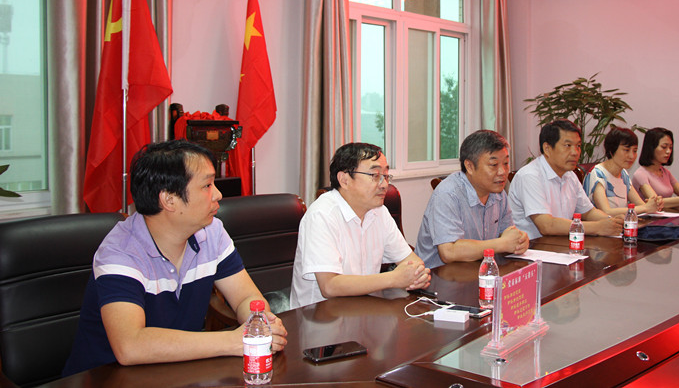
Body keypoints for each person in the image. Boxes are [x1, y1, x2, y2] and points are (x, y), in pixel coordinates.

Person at [63, 140, 287, 377]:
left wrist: (259, 323)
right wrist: (233, 341)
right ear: (169, 199)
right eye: (207, 185)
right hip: (107, 378)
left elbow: (245, 297)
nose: (218, 194)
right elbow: (130, 345)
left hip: (178, 372)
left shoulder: (211, 232)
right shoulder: (120, 252)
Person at [289, 142, 430, 309]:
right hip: (319, 315)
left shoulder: (379, 211)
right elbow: (329, 286)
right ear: (344, 180)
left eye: (386, 176)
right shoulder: (321, 215)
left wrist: (418, 275)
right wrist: (394, 278)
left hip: (364, 308)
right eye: (375, 175)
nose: (384, 184)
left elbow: (411, 261)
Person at [415, 130, 529, 269]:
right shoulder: (448, 194)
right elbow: (449, 252)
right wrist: (502, 244)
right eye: (493, 165)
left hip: (477, 270)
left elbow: (507, 233)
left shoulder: (498, 193)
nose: (502, 172)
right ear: (469, 166)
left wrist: (519, 241)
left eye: (505, 163)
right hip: (437, 276)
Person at [508, 119, 623, 239]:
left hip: (560, 244)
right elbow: (547, 225)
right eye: (568, 145)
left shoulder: (570, 175)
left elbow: (588, 212)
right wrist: (598, 227)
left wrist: (613, 222)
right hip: (532, 247)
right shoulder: (530, 176)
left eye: (578, 146)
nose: (575, 152)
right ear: (547, 148)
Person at [583, 126, 663, 216]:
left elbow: (641, 205)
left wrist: (654, 203)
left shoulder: (623, 174)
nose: (631, 156)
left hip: (622, 223)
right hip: (604, 224)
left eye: (634, 151)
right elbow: (606, 212)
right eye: (626, 150)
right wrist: (645, 208)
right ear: (612, 150)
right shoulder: (597, 174)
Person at [632, 127, 679, 208]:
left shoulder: (665, 172)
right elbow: (656, 202)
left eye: (670, 147)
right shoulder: (640, 174)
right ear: (651, 148)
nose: (668, 151)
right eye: (664, 147)